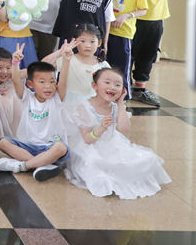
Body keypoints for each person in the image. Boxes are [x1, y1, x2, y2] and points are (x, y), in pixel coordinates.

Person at [63, 68, 171, 199]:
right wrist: (101, 128)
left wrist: (120, 104)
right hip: (90, 144)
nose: (112, 87)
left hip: (112, 143)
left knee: (148, 158)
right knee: (95, 163)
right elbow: (87, 139)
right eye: (107, 82)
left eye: (118, 85)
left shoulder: (115, 107)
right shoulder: (84, 107)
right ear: (94, 86)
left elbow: (124, 128)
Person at [0, 44, 70, 182]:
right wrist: (15, 63)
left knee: (61, 147)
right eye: (42, 82)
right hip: (28, 147)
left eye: (52, 82)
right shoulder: (27, 97)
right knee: (3, 142)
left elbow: (63, 81)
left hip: (50, 148)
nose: (48, 86)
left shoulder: (56, 98)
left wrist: (66, 60)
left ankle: (23, 166)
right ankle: (42, 165)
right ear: (30, 84)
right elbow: (15, 80)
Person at [93, 0, 148, 94]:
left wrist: (126, 15)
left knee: (120, 67)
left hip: (123, 33)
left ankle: (122, 96)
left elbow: (143, 10)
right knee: (100, 65)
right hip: (102, 31)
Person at [43, 25, 110, 102]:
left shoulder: (103, 65)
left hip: (92, 106)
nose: (88, 45)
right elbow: (42, 66)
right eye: (83, 41)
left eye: (92, 41)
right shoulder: (68, 58)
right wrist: (60, 52)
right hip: (68, 104)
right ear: (74, 41)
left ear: (99, 43)